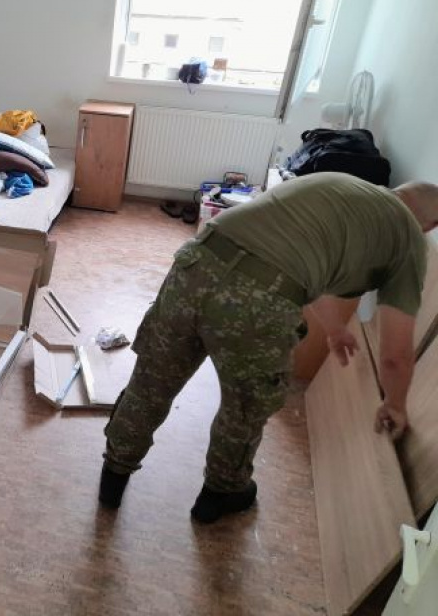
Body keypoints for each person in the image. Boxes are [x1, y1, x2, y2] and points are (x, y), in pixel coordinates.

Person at [99, 173, 438, 522]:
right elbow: (396, 354)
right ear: (431, 226)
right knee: (244, 407)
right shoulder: (409, 238)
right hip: (256, 303)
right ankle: (219, 495)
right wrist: (395, 405)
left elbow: (303, 270)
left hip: (196, 262)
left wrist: (335, 329)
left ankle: (113, 475)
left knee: (151, 382)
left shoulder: (342, 185)